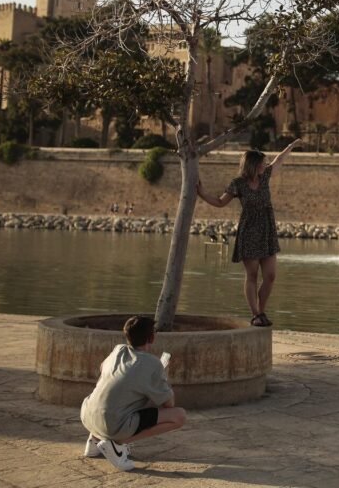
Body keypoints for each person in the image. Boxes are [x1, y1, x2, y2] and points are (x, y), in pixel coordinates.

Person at [197, 140, 302, 327]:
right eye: (262, 162)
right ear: (254, 164)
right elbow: (221, 202)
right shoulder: (238, 184)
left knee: (270, 276)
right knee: (252, 275)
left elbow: (279, 160)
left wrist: (291, 146)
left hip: (267, 230)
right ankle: (256, 314)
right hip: (249, 231)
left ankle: (261, 311)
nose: (265, 164)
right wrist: (202, 193)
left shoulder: (265, 176)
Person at [80, 316, 186, 472]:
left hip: (87, 415)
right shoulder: (153, 364)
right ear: (151, 338)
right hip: (113, 424)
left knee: (119, 395)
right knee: (179, 416)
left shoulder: (118, 350)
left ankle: (95, 440)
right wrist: (163, 378)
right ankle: (117, 444)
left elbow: (103, 370)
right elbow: (169, 404)